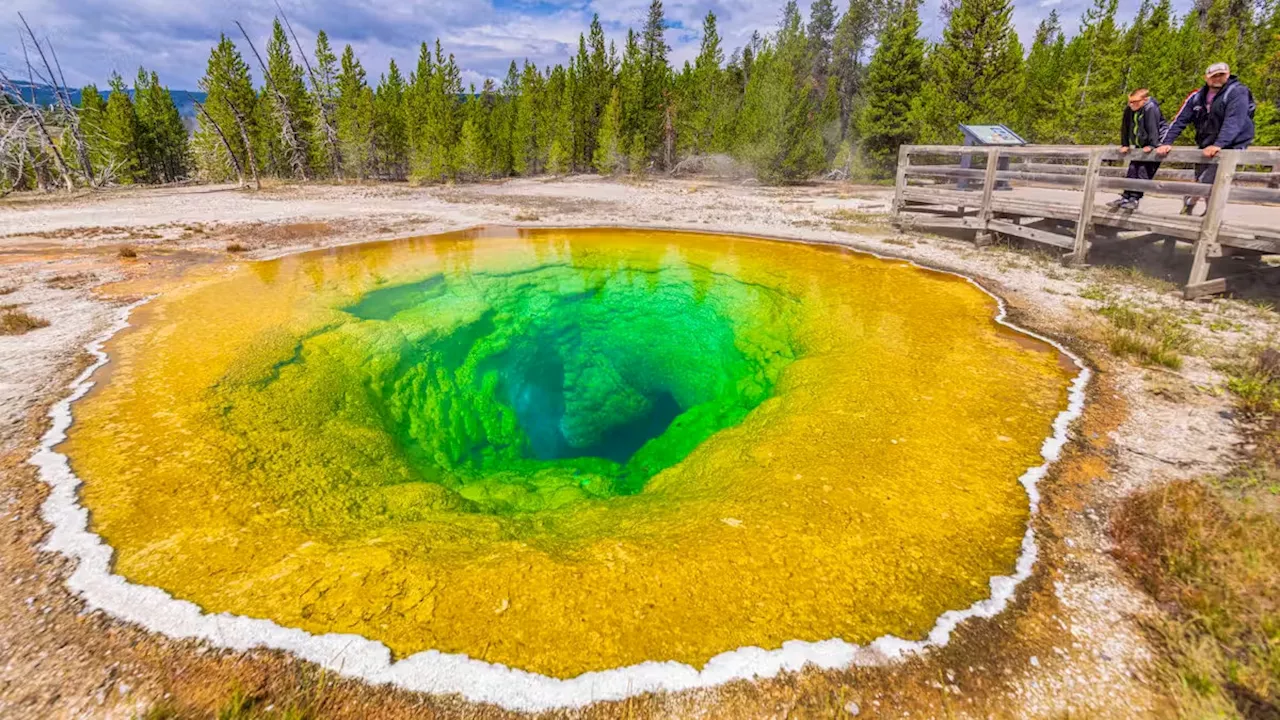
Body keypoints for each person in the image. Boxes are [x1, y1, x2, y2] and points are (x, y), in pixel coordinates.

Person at [1157, 62, 1256, 215]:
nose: (1217, 78)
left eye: (1221, 75)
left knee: (1210, 180)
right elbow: (1180, 120)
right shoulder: (1197, 97)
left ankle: (1204, 212)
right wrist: (1166, 142)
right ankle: (1198, 209)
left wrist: (1219, 144)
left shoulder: (1237, 92)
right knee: (1201, 180)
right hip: (1206, 143)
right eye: (1213, 76)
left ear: (1228, 74)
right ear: (1206, 77)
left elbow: (1234, 120)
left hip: (1232, 144)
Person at [1108, 88, 1167, 211]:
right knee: (1132, 169)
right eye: (1130, 101)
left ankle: (1134, 198)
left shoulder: (1150, 108)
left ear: (1144, 100)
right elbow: (1125, 127)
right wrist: (1125, 144)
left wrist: (1152, 145)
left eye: (1135, 102)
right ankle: (1125, 197)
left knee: (1143, 171)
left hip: (1156, 143)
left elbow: (1153, 127)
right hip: (1140, 145)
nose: (1131, 104)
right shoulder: (1129, 109)